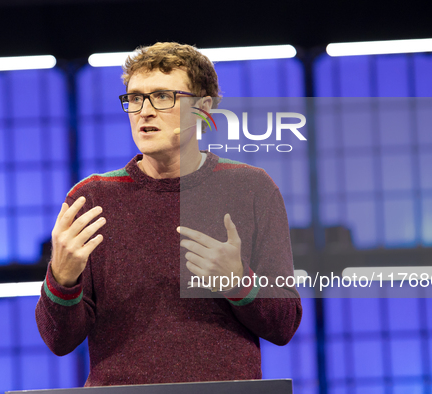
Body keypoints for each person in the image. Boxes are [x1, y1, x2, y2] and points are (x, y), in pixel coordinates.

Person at [35, 42, 302, 387]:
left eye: (163, 96)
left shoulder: (251, 189)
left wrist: (237, 281)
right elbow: (59, 341)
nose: (144, 111)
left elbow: (284, 326)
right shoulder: (92, 198)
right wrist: (62, 278)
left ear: (203, 109)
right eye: (134, 98)